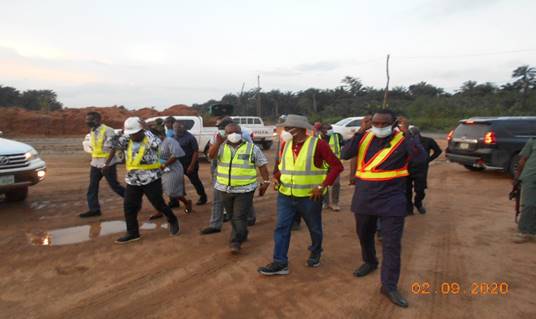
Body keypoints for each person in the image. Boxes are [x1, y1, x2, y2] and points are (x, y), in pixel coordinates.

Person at [341, 110, 426, 308]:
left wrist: (407, 134)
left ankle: (389, 285)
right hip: (364, 198)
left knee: (391, 244)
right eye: (375, 123)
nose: (379, 127)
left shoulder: (403, 139)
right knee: (364, 234)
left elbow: (420, 159)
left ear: (393, 123)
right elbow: (345, 154)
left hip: (392, 199)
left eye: (383, 123)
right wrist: (361, 131)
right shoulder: (364, 136)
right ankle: (370, 261)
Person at [258, 114, 344, 275]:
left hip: (309, 196)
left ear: (297, 129)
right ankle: (280, 262)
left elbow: (337, 166)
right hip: (285, 195)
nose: (283, 130)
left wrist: (322, 186)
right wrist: (276, 178)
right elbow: (281, 167)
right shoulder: (285, 145)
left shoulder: (318, 145)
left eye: (286, 128)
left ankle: (316, 251)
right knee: (281, 228)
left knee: (314, 228)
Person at [106, 117, 180, 244]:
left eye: (135, 133)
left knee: (159, 204)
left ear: (141, 131)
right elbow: (110, 144)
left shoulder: (151, 139)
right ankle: (133, 233)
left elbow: (160, 147)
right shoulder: (127, 139)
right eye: (131, 134)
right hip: (133, 180)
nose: (133, 136)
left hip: (151, 178)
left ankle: (172, 219)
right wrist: (121, 132)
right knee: (129, 206)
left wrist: (147, 131)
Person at [207, 123, 270, 253]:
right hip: (224, 189)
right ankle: (243, 232)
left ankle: (235, 241)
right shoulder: (221, 147)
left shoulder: (252, 148)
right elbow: (211, 156)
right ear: (225, 134)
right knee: (231, 216)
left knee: (239, 217)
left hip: (245, 189)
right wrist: (217, 143)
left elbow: (262, 165)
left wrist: (266, 181)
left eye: (236, 132)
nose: (233, 134)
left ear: (241, 133)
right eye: (229, 132)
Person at [201, 117, 256, 235]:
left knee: (244, 197)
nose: (221, 131)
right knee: (217, 199)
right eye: (220, 129)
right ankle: (215, 224)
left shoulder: (243, 136)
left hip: (239, 173)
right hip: (221, 172)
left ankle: (250, 218)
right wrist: (214, 173)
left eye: (223, 129)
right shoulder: (216, 136)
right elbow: (211, 156)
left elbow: (251, 153)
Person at [80, 111, 125, 218]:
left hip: (107, 164)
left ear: (97, 120)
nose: (87, 122)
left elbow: (113, 148)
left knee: (115, 186)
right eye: (86, 120)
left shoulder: (108, 130)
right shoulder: (92, 131)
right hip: (95, 163)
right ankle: (94, 209)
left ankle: (133, 201)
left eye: (90, 120)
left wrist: (107, 164)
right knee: (92, 187)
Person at [149, 127, 193, 220]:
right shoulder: (151, 143)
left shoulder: (169, 141)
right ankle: (159, 210)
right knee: (156, 191)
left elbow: (176, 155)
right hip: (159, 169)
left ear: (159, 135)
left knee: (172, 192)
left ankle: (186, 202)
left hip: (173, 169)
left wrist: (164, 165)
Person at [406, 126, 442, 215]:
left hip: (421, 170)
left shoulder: (428, 141)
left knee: (420, 190)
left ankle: (418, 203)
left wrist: (428, 160)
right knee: (407, 190)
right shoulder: (405, 142)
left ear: (418, 133)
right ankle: (409, 208)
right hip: (406, 169)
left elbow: (438, 151)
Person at [172, 121, 208, 206]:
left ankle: (203, 196)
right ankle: (174, 202)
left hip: (189, 164)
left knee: (195, 181)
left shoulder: (190, 138)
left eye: (178, 128)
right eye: (175, 128)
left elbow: (195, 152)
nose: (176, 130)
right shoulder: (174, 137)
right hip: (178, 165)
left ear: (182, 127)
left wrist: (191, 166)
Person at [512, 138, 536, 243]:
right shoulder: (533, 141)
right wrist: (516, 177)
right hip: (530, 177)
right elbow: (523, 160)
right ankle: (524, 232)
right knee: (529, 205)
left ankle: (533, 231)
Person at [319, 123, 343, 211]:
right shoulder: (317, 139)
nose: (330, 130)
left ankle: (335, 203)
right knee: (324, 184)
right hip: (322, 166)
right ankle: (326, 202)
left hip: (334, 165)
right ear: (322, 131)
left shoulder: (337, 137)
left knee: (336, 183)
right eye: (327, 129)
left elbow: (342, 147)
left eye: (330, 128)